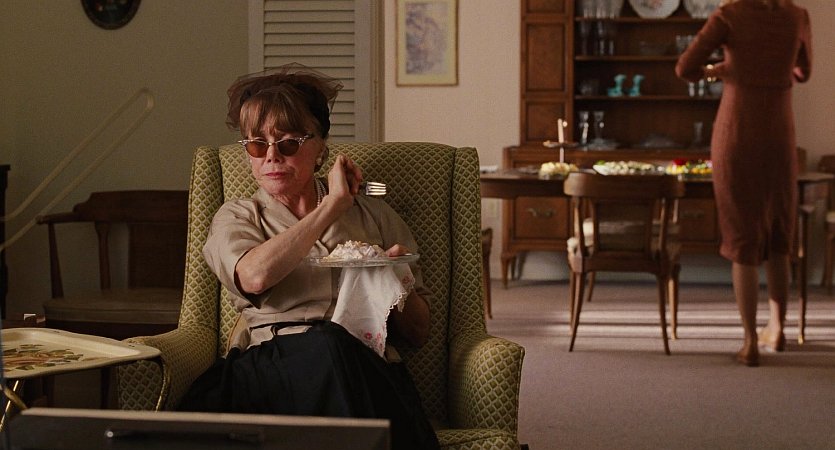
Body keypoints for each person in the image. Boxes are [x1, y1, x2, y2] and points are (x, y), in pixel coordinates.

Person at [178, 64, 440, 450]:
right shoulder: (237, 216)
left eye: (287, 143)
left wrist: (395, 278)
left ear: (321, 149)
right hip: (273, 366)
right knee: (327, 345)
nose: (271, 156)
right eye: (256, 145)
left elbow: (418, 333)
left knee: (337, 347)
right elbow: (253, 276)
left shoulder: (376, 216)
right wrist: (331, 207)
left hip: (364, 367)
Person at [676, 0, 812, 366]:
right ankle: (778, 329)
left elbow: (685, 68)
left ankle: (750, 341)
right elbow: (804, 72)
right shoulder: (797, 16)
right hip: (780, 133)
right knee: (780, 234)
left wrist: (720, 70)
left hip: (737, 131)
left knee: (742, 237)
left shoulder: (729, 15)